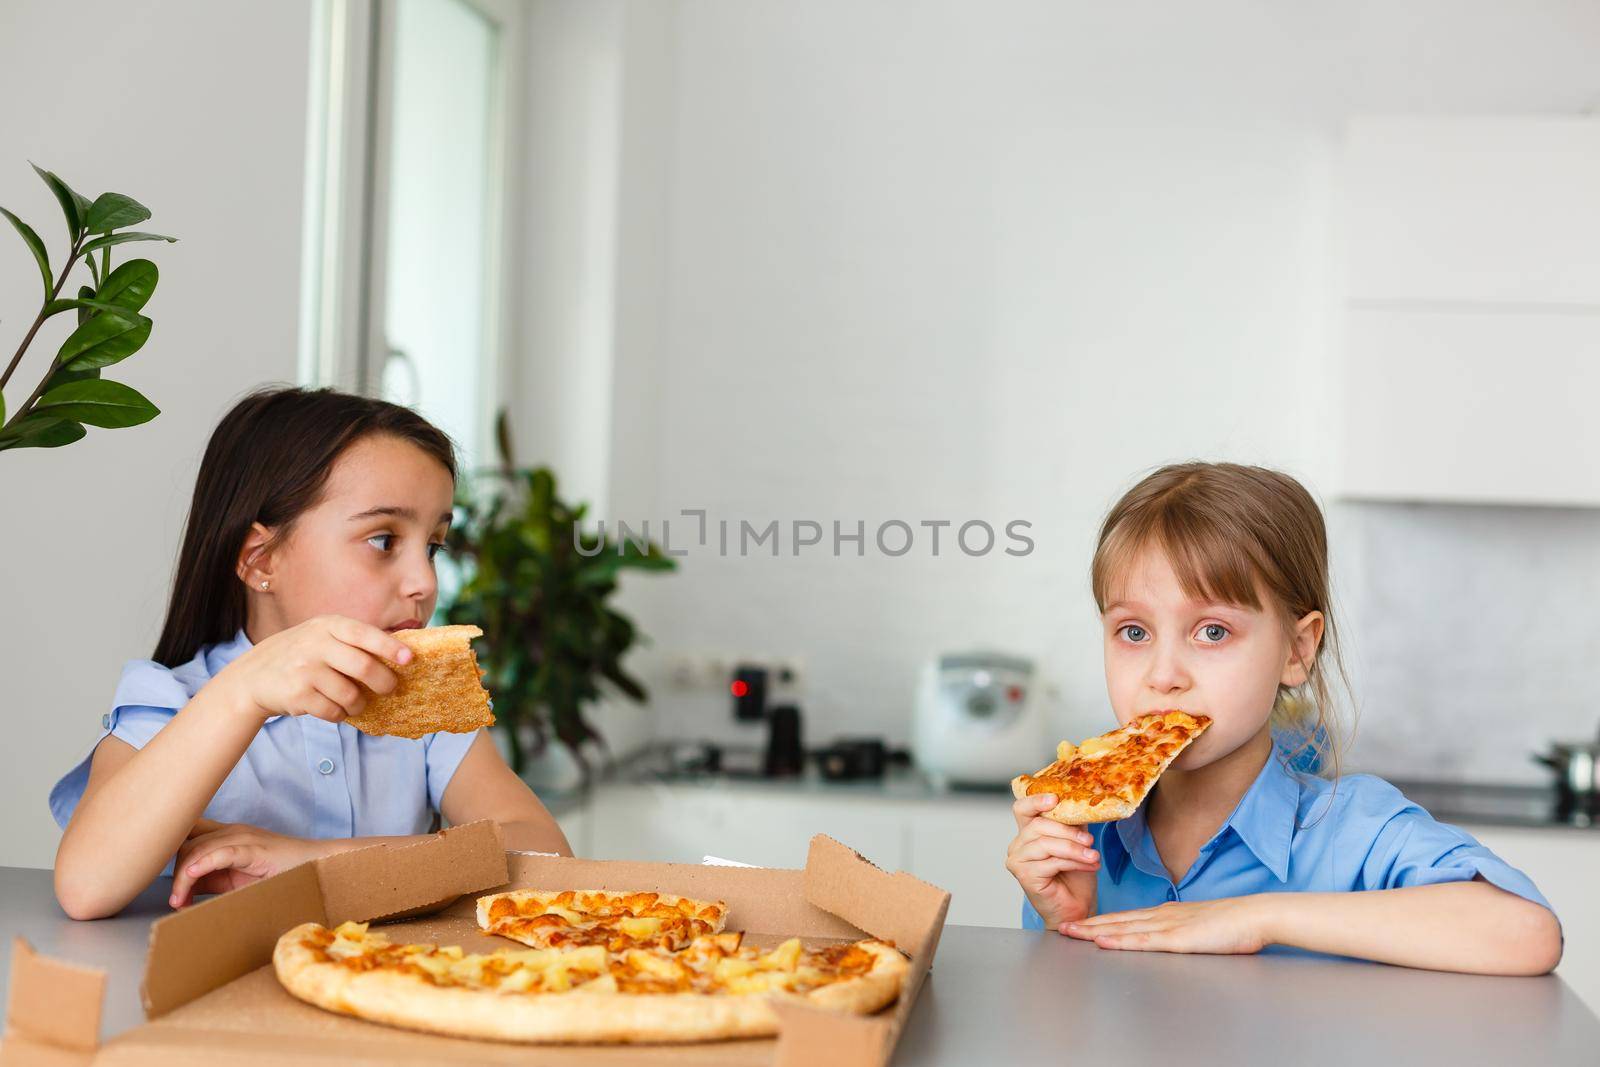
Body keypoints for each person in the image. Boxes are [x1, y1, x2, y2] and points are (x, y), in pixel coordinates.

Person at [1005, 462, 1560, 974]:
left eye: (1213, 631)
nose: (1163, 674)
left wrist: (1256, 917)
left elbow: (1528, 934)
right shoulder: (1082, 844)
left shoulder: (1352, 829)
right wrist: (1064, 923)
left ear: (1296, 650)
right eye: (1134, 632)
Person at [52, 387, 570, 920]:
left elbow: (543, 856)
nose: (423, 581)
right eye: (383, 540)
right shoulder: (168, 699)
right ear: (261, 562)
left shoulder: (428, 716)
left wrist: (312, 863)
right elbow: (87, 885)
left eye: (433, 546)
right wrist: (243, 693)